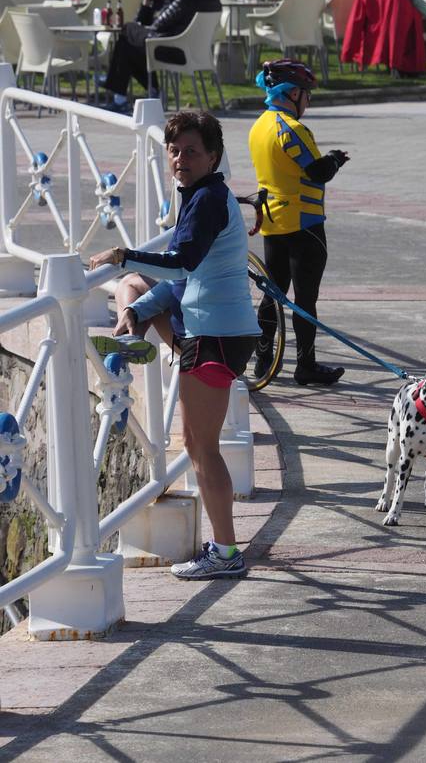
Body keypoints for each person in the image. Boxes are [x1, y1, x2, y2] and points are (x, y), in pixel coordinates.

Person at [90, 111, 260, 581]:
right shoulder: (202, 195)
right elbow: (186, 275)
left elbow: (181, 261)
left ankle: (226, 553)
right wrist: (140, 310)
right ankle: (137, 333)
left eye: (191, 151)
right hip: (215, 330)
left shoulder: (206, 199)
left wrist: (124, 254)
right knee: (199, 444)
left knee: (202, 446)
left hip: (214, 334)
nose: (180, 160)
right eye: (173, 151)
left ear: (214, 157)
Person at [248, 59, 349, 386]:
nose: (308, 101)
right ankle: (306, 365)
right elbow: (317, 172)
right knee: (305, 300)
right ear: (292, 93)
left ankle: (263, 359)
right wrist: (335, 158)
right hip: (304, 224)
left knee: (272, 294)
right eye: (306, 95)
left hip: (273, 222)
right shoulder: (293, 129)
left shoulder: (259, 125)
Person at [104, 0, 221, 112]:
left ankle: (124, 95)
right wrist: (147, 6)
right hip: (192, 51)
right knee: (127, 46)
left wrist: (145, 22)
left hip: (173, 49)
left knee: (127, 31)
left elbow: (158, 24)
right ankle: (144, 93)